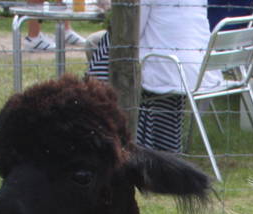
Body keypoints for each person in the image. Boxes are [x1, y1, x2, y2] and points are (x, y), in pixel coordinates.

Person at [84, 0, 219, 153]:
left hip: (168, 68)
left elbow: (130, 30)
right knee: (100, 41)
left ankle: (100, 116)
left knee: (108, 43)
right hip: (200, 66)